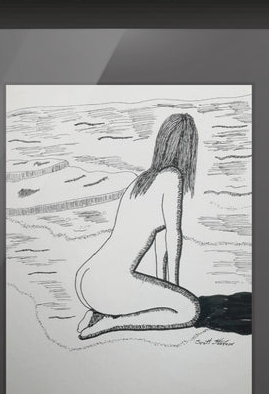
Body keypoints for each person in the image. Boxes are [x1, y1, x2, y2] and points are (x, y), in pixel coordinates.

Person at [74, 113, 202, 339]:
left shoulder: (143, 181)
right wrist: (176, 290)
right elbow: (173, 237)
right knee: (189, 311)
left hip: (86, 278)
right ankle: (110, 322)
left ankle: (98, 313)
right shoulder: (172, 177)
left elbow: (160, 244)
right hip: (106, 284)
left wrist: (166, 288)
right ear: (188, 147)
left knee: (169, 298)